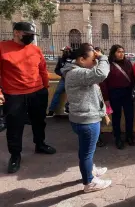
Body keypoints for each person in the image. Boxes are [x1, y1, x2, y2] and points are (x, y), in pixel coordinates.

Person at [0, 22, 56, 174]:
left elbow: (43, 69)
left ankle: (40, 144)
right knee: (14, 126)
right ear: (16, 32)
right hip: (14, 95)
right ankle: (15, 155)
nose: (31, 38)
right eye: (27, 35)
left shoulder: (35, 49)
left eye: (32, 35)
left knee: (39, 121)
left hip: (37, 92)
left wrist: (45, 86)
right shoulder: (2, 48)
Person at [62, 43, 112, 193]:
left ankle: (89, 170)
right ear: (82, 59)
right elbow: (101, 74)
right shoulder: (77, 73)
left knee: (86, 151)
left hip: (83, 117)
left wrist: (103, 112)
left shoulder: (77, 71)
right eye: (92, 58)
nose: (95, 61)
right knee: (86, 153)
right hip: (86, 120)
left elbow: (95, 93)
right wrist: (103, 57)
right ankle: (89, 183)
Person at [100, 45, 135, 149]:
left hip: (128, 93)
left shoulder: (128, 63)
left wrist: (133, 91)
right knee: (116, 117)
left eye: (122, 51)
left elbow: (132, 78)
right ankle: (118, 138)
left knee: (130, 116)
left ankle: (129, 136)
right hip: (114, 93)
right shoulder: (108, 65)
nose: (121, 54)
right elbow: (104, 83)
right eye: (119, 52)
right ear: (113, 53)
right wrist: (106, 98)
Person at [47, 46, 72, 117]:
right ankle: (51, 110)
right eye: (64, 51)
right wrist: (62, 74)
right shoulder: (61, 60)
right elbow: (56, 69)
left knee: (71, 94)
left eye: (66, 51)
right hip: (63, 80)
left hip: (71, 80)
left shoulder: (73, 59)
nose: (64, 53)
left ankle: (68, 108)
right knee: (57, 93)